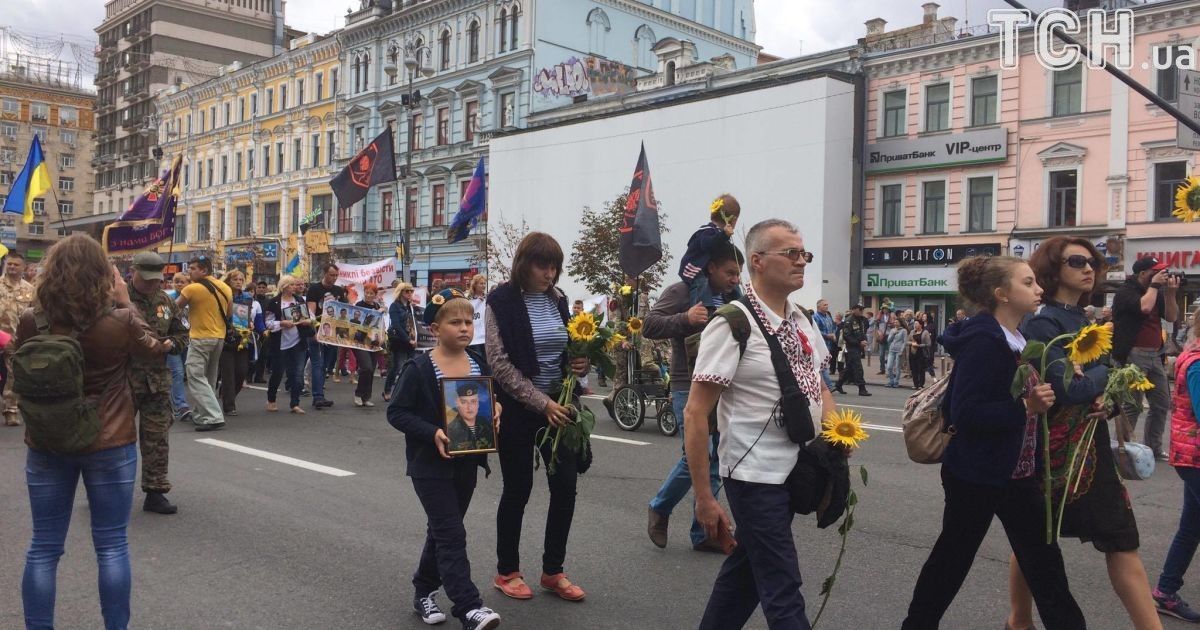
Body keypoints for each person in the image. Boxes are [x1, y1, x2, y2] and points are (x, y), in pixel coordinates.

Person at [901, 255, 1086, 630]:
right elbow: (966, 414)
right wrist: (1026, 408)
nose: (1039, 289)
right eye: (1028, 283)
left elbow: (1034, 398)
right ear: (1002, 293)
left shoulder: (1021, 338)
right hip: (979, 473)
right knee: (953, 559)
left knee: (1045, 565)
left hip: (1017, 475)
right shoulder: (985, 341)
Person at [16, 234, 172, 630]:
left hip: (48, 441)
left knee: (44, 548)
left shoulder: (32, 320)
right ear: (105, 276)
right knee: (112, 544)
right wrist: (124, 303)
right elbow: (154, 348)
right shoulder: (119, 320)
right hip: (110, 439)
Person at [1005, 236, 1158, 630]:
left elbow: (1090, 386)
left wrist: (1107, 397)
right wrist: (1105, 375)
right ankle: (1019, 621)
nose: (1089, 268)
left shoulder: (1087, 321)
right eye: (1077, 262)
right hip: (1057, 449)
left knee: (1119, 539)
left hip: (1090, 447)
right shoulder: (1044, 322)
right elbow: (1066, 390)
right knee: (1037, 539)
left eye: (1093, 261)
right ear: (1054, 269)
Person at [686, 219, 831, 629]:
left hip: (796, 469)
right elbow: (696, 413)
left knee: (745, 576)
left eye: (805, 254)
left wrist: (837, 438)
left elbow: (819, 385)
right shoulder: (733, 323)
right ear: (758, 261)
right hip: (753, 475)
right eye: (791, 253)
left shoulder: (802, 319)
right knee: (783, 586)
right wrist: (703, 497)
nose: (802, 261)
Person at [387, 288, 503, 629]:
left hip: (467, 461)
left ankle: (423, 591)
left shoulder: (477, 363)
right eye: (455, 322)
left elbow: (486, 399)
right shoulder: (420, 367)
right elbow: (397, 412)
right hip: (429, 466)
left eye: (469, 321)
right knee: (451, 533)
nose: (464, 328)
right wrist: (432, 432)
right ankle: (469, 607)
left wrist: (494, 408)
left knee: (442, 531)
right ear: (435, 329)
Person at [486, 232, 591, 602]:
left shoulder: (558, 300)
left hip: (560, 408)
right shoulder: (500, 301)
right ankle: (507, 571)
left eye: (554, 267)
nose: (549, 274)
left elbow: (566, 351)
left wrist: (580, 365)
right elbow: (498, 364)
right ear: (523, 264)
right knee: (518, 490)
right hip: (518, 409)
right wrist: (539, 402)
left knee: (565, 487)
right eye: (542, 265)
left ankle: (553, 571)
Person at [643, 242, 744, 553]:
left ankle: (704, 533)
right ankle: (660, 507)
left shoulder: (732, 298)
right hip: (688, 383)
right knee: (696, 457)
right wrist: (685, 318)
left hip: (722, 384)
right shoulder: (682, 291)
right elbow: (650, 325)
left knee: (715, 459)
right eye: (729, 272)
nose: (734, 280)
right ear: (711, 266)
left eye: (738, 274)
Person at [127, 252, 190, 516]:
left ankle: (155, 492)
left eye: (156, 279)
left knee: (156, 438)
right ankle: (103, 488)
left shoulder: (166, 300)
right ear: (133, 272)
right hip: (123, 380)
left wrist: (172, 344)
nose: (152, 284)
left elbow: (182, 333)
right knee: (113, 439)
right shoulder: (115, 298)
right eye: (147, 279)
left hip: (156, 381)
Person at [1154, 306, 1200, 623]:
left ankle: (1166, 592)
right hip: (1195, 457)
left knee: (1191, 528)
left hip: (1191, 456)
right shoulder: (1197, 363)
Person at [1113, 256, 1181, 460]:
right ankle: (1123, 450)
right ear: (1142, 274)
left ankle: (1153, 447)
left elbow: (1171, 317)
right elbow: (1143, 307)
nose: (1160, 275)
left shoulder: (1157, 292)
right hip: (1133, 354)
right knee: (1132, 405)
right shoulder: (1126, 291)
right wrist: (1154, 286)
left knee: (1161, 403)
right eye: (1155, 272)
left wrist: (1170, 293)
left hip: (1155, 355)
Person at [176, 256, 232, 432]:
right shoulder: (225, 287)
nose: (190, 271)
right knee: (209, 378)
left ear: (204, 270)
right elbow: (229, 313)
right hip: (219, 338)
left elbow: (174, 309)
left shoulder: (191, 288)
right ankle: (201, 415)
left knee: (194, 376)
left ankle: (213, 416)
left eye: (193, 268)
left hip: (200, 338)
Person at [679, 193, 742, 308]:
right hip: (695, 268)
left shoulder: (718, 234)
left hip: (706, 268)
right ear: (733, 220)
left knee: (735, 285)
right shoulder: (707, 231)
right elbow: (707, 245)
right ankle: (704, 310)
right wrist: (724, 235)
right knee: (701, 285)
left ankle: (741, 306)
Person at [264, 275, 314, 414]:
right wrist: (281, 323)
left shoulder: (299, 300)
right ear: (284, 286)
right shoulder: (274, 302)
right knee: (278, 372)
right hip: (280, 343)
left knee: (297, 374)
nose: (295, 287)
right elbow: (268, 323)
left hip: (298, 342)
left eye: (295, 285)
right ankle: (271, 400)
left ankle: (295, 403)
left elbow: (311, 317)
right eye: (291, 285)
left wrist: (306, 321)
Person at [218, 270, 260, 417]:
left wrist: (250, 323)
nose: (238, 281)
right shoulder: (223, 294)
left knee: (242, 371)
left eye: (241, 279)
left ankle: (227, 393)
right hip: (226, 336)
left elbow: (246, 315)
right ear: (228, 280)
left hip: (243, 337)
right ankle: (229, 406)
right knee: (228, 373)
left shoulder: (247, 297)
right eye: (235, 279)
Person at [0, 251, 35, 426]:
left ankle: (11, 410)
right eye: (10, 264)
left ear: (23, 268)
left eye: (16, 264)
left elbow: (35, 314)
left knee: (13, 376)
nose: (12, 267)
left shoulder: (29, 289)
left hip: (16, 340)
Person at [306, 263, 345, 409]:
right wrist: (314, 332)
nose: (334, 278)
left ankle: (319, 392)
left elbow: (344, 311)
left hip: (333, 332)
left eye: (336, 275)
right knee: (318, 362)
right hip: (317, 331)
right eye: (331, 275)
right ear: (325, 274)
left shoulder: (338, 290)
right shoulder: (314, 289)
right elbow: (311, 313)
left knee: (326, 365)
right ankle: (317, 396)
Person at [164, 272, 192, 424]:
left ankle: (172, 403)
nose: (179, 284)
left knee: (184, 373)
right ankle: (181, 406)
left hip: (188, 340)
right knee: (177, 372)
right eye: (176, 281)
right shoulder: (168, 297)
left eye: (182, 282)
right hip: (172, 340)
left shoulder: (193, 297)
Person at [353, 282, 386, 407]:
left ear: (375, 295)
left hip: (374, 341)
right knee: (366, 367)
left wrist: (382, 336)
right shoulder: (359, 305)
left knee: (371, 369)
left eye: (371, 293)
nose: (369, 295)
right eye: (367, 292)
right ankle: (358, 394)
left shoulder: (377, 305)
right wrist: (377, 312)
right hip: (361, 340)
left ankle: (366, 397)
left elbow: (381, 323)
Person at [385, 283, 419, 401]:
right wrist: (408, 339)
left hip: (410, 339)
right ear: (400, 292)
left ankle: (403, 391)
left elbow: (415, 323)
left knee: (410, 366)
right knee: (396, 366)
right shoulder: (394, 306)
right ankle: (388, 390)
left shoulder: (410, 306)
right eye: (407, 291)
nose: (410, 293)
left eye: (411, 291)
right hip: (399, 340)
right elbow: (396, 325)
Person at [446, 380, 496, 452]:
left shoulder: (486, 425)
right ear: (457, 404)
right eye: (464, 402)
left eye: (473, 401)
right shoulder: (451, 430)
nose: (469, 407)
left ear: (478, 403)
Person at [834, 303, 871, 396]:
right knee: (858, 368)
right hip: (851, 347)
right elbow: (847, 336)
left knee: (849, 368)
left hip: (858, 347)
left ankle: (838, 384)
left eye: (862, 309)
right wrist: (859, 342)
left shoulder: (861, 320)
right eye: (860, 309)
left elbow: (862, 332)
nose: (862, 311)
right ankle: (862, 388)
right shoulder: (848, 321)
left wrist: (864, 341)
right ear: (854, 309)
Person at [812, 299, 838, 391]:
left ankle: (822, 386)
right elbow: (816, 331)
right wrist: (827, 335)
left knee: (824, 366)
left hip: (829, 345)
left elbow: (833, 327)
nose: (827, 306)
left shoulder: (828, 316)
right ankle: (828, 386)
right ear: (818, 306)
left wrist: (834, 334)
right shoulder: (815, 317)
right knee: (823, 366)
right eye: (824, 305)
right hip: (820, 345)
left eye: (827, 305)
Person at [250, 281, 271, 383]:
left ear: (266, 289)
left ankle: (259, 376)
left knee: (263, 355)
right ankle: (248, 375)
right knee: (251, 354)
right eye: (259, 287)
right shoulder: (252, 301)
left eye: (264, 287)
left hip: (265, 331)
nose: (261, 289)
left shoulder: (269, 301)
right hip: (252, 331)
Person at [468, 274, 488, 356]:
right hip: (474, 338)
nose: (483, 286)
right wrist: (477, 302)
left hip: (486, 337)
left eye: (484, 283)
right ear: (475, 285)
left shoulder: (488, 298)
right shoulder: (468, 298)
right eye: (481, 283)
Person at [907, 319, 931, 390]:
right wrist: (912, 343)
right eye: (914, 324)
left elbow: (929, 344)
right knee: (914, 369)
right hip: (913, 352)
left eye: (916, 324)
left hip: (921, 353)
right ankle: (915, 384)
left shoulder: (925, 332)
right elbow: (907, 341)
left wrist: (919, 345)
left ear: (921, 325)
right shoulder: (912, 332)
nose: (915, 325)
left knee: (921, 369)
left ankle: (921, 384)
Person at [886, 318, 907, 388]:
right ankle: (891, 380)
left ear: (900, 323)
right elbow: (888, 340)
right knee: (889, 366)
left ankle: (896, 381)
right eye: (894, 322)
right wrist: (893, 334)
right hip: (892, 349)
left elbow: (904, 341)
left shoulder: (904, 330)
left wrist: (902, 350)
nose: (895, 323)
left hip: (899, 350)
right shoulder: (892, 330)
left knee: (897, 367)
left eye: (897, 322)